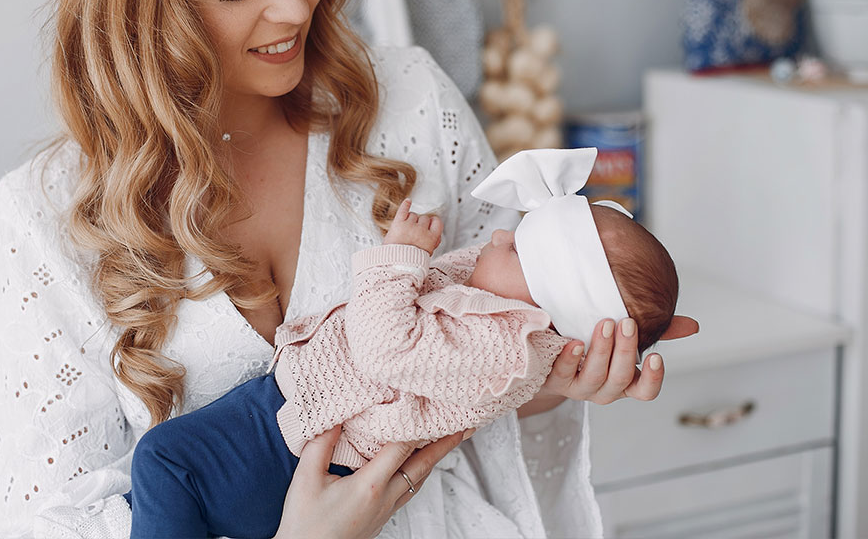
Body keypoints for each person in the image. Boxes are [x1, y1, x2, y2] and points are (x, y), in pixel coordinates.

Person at [0, 0, 699, 537]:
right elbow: (45, 519)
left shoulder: (412, 102)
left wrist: (559, 378)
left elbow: (490, 374)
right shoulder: (47, 212)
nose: (295, 5)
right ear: (143, 2)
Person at [128, 148, 680, 539]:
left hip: (298, 452)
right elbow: (457, 284)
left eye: (517, 249)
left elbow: (387, 347)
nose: (498, 236)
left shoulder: (504, 344)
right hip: (295, 417)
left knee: (163, 461)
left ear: (547, 303)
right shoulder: (502, 313)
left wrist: (400, 258)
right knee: (168, 491)